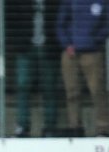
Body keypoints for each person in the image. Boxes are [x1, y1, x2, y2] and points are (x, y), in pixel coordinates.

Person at [8, 0, 60, 137]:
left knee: (49, 87)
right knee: (23, 85)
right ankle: (22, 126)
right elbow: (12, 20)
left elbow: (59, 20)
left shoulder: (53, 3)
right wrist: (17, 42)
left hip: (48, 48)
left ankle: (50, 127)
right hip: (25, 48)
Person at [57, 0, 109, 137]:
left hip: (92, 53)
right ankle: (75, 127)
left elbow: (106, 25)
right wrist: (67, 43)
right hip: (70, 54)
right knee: (72, 91)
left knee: (97, 90)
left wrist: (94, 41)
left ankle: (103, 128)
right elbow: (61, 23)